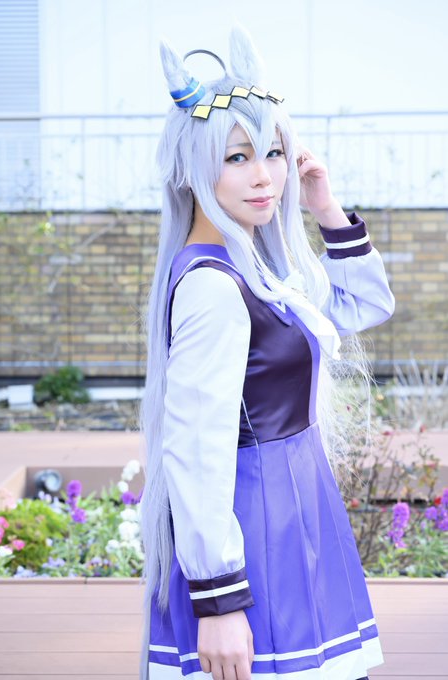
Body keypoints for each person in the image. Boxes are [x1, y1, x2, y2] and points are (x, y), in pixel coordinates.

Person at [138, 26, 395, 680]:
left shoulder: (256, 267)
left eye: (274, 152)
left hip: (296, 512)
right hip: (255, 531)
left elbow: (366, 305)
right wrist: (219, 601)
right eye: (238, 157)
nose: (264, 176)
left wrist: (324, 205)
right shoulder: (213, 286)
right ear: (192, 169)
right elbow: (195, 449)